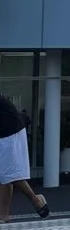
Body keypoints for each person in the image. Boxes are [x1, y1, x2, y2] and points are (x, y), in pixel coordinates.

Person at [0, 93, 48, 222]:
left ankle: (35, 200)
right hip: (7, 130)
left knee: (8, 174)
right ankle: (4, 214)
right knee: (5, 175)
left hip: (9, 132)